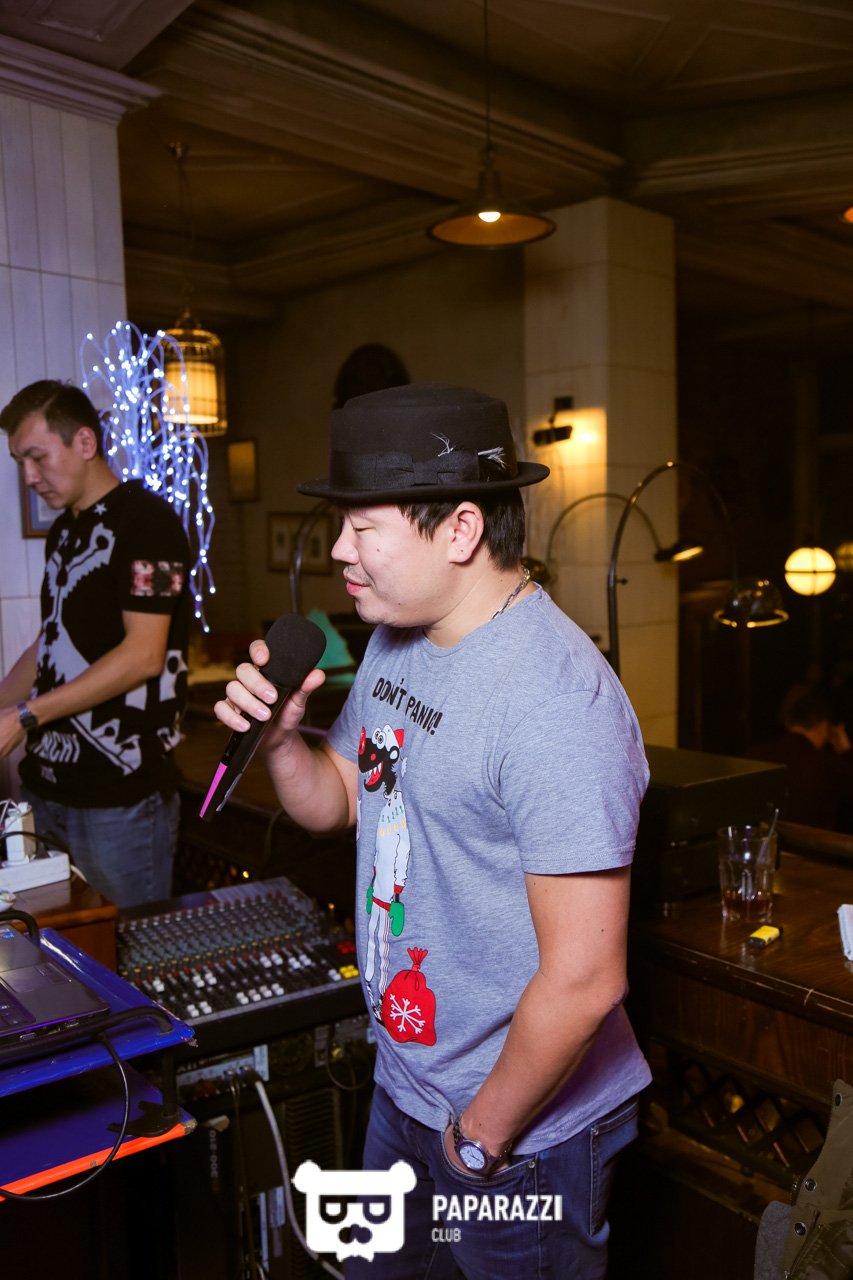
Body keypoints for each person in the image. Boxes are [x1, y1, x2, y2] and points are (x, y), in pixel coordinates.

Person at [216, 383, 651, 1278]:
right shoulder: (398, 638)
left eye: (360, 528)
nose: (339, 551)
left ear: (459, 530)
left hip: (517, 1130)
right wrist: (282, 739)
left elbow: (584, 979)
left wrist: (476, 1142)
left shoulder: (554, 702)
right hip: (406, 1087)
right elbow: (340, 800)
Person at [0, 380, 190, 907]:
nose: (28, 477)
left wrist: (24, 716)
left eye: (37, 457)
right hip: (48, 787)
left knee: (124, 951)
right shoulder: (64, 532)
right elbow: (51, 640)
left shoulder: (149, 523)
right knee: (58, 946)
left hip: (119, 797)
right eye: (19, 462)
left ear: (85, 442)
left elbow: (144, 655)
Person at [749, 691, 853, 832]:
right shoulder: (829, 765)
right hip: (812, 844)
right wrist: (846, 750)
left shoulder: (756, 754)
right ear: (824, 727)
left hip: (762, 840)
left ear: (789, 723)